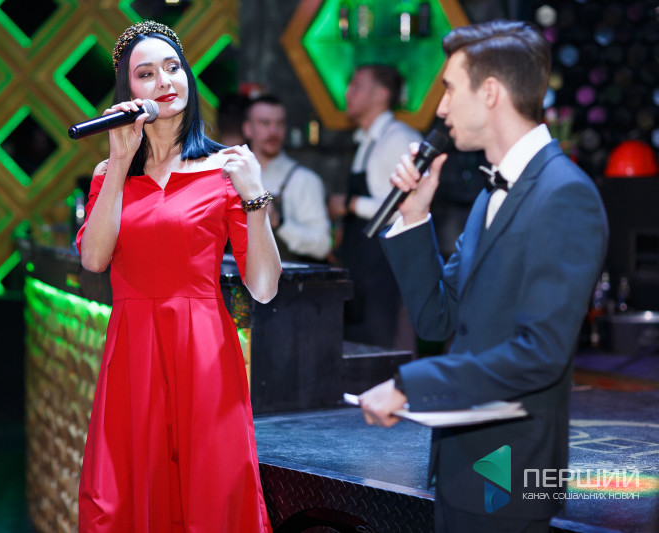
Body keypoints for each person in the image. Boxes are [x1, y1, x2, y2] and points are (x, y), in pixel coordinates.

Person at [358, 21, 608, 532]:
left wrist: (409, 385)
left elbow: (540, 353)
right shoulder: (490, 194)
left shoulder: (565, 194)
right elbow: (437, 316)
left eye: (450, 89)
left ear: (490, 92)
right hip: (459, 467)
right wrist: (415, 217)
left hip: (511, 474)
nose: (441, 108)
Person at [75, 21, 280, 532]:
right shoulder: (109, 174)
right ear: (128, 93)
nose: (164, 80)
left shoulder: (224, 169)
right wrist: (119, 160)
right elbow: (94, 259)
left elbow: (264, 286)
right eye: (146, 73)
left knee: (212, 496)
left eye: (172, 67)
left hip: (203, 352)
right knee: (121, 499)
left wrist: (255, 198)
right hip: (132, 353)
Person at [329, 64, 423, 350]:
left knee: (384, 351)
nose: (347, 93)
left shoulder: (400, 139)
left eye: (356, 86)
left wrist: (351, 204)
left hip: (386, 273)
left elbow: (408, 206)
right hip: (361, 269)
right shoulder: (367, 140)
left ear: (381, 94)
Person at [242, 94, 332, 263]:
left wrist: (280, 222)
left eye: (280, 124)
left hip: (285, 277)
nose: (273, 132)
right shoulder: (233, 177)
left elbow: (323, 245)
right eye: (265, 123)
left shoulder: (303, 179)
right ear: (248, 128)